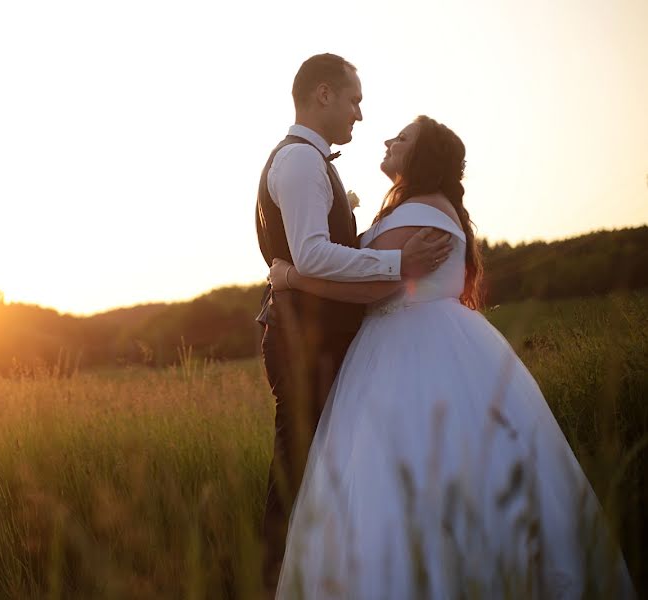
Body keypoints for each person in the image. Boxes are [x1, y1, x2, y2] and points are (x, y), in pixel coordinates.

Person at [270, 115, 635, 598]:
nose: (387, 139)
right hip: (411, 340)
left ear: (423, 157)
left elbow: (375, 287)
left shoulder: (419, 212)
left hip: (411, 348)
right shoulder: (419, 208)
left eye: (401, 138)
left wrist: (290, 277)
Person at [254, 54, 453, 591]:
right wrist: (398, 264)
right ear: (323, 95)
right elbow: (314, 256)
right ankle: (277, 581)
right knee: (296, 467)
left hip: (314, 337)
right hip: (303, 342)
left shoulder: (311, 163)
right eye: (354, 100)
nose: (359, 115)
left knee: (315, 464)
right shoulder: (298, 163)